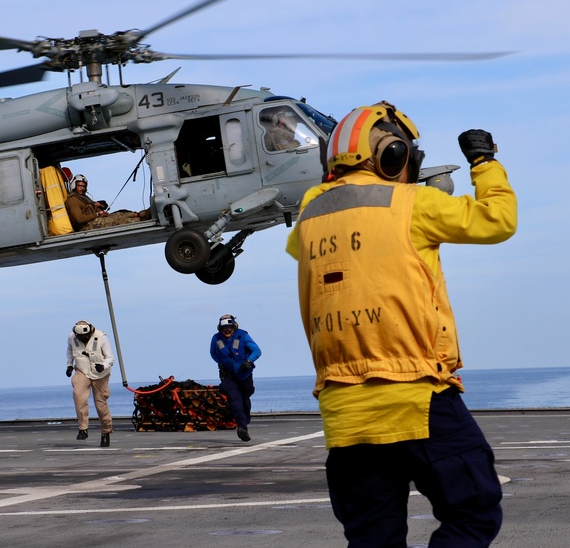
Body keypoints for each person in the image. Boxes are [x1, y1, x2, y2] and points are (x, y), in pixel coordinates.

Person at [286, 101, 517, 547]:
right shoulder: (413, 203)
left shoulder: (308, 220)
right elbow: (499, 221)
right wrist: (485, 163)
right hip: (416, 396)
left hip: (343, 413)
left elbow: (318, 230)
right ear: (394, 157)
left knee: (373, 538)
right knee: (474, 512)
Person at [209, 314, 261, 442]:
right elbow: (213, 353)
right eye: (224, 328)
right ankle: (242, 427)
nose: (227, 330)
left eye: (229, 327)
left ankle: (244, 419)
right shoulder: (216, 339)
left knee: (245, 397)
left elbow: (257, 351)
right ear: (220, 329)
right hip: (228, 376)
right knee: (234, 398)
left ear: (234, 327)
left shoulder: (242, 335)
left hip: (244, 374)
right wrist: (221, 363)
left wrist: (248, 362)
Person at [65, 319, 114, 447]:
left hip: (100, 374)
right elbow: (69, 352)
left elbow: (110, 357)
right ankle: (83, 428)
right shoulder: (72, 338)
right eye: (79, 337)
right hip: (82, 371)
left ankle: (106, 431)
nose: (82, 339)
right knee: (78, 394)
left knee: (100, 403)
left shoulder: (101, 337)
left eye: (84, 337)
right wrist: (69, 365)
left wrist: (103, 366)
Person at [64, 174, 150, 231]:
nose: (82, 188)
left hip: (94, 220)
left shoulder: (83, 198)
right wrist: (97, 215)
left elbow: (96, 207)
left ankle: (144, 214)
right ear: (74, 185)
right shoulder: (73, 200)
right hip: (85, 226)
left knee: (119, 214)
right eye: (80, 186)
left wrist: (100, 208)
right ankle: (141, 220)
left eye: (83, 186)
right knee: (114, 221)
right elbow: (79, 219)